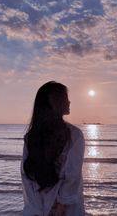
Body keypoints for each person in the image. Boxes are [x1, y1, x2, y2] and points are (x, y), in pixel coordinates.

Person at [21, 81, 85, 216]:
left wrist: (36, 208)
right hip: (64, 209)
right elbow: (72, 175)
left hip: (36, 206)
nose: (69, 102)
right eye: (65, 98)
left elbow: (26, 175)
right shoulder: (74, 135)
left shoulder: (31, 137)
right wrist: (61, 205)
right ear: (56, 102)